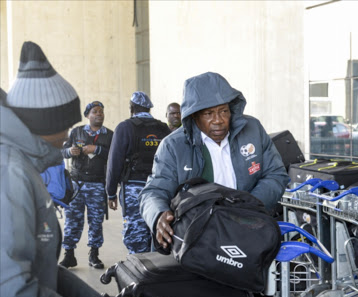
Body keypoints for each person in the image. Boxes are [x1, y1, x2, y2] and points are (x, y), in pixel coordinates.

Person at [0, 41, 101, 297]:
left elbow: (40, 267)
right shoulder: (9, 172)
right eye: (67, 125)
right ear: (46, 125)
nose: (70, 135)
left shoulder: (23, 163)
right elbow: (11, 294)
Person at [139, 72, 289, 251]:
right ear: (194, 116)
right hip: (195, 242)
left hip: (247, 234)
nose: (218, 120)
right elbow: (154, 191)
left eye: (224, 111)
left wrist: (249, 209)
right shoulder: (173, 146)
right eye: (208, 113)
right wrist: (158, 215)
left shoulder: (253, 130)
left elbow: (275, 174)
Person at [106, 91, 170, 253]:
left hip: (133, 188)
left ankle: (139, 268)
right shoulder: (164, 128)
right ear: (149, 109)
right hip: (160, 187)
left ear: (131, 108)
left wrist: (111, 193)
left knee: (135, 231)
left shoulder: (124, 127)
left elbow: (114, 162)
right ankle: (157, 267)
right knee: (157, 227)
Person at [59, 100, 114, 269]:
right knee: (72, 220)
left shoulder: (110, 135)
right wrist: (70, 151)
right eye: (95, 111)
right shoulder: (76, 132)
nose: (99, 114)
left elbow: (114, 156)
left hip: (97, 184)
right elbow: (63, 151)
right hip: (76, 185)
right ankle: (69, 255)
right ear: (87, 115)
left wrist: (97, 149)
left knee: (96, 221)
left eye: (101, 111)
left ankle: (94, 255)